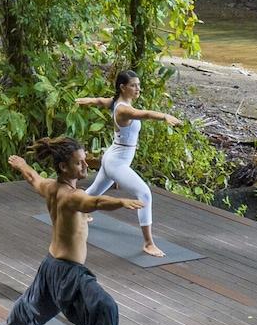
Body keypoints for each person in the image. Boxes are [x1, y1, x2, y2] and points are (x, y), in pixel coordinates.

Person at [4, 137, 142, 325]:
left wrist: (21, 164)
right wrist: (121, 202)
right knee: (104, 307)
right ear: (63, 167)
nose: (84, 167)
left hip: (51, 264)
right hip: (69, 272)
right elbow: (96, 203)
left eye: (84, 160)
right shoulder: (73, 197)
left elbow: (33, 177)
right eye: (78, 163)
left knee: (35, 301)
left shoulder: (51, 188)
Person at [76, 69, 183, 257]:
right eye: (133, 85)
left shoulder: (116, 103)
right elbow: (146, 114)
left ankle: (73, 211)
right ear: (123, 87)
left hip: (113, 157)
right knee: (144, 194)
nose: (138, 89)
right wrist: (164, 116)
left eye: (139, 85)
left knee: (93, 192)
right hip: (116, 162)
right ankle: (148, 243)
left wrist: (88, 100)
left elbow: (102, 101)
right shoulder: (124, 109)